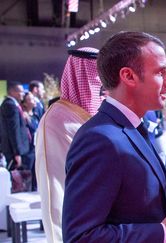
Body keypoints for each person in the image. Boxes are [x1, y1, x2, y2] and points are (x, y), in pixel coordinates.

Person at [62, 32, 166, 243]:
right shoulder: (100, 139)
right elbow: (81, 237)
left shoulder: (129, 127)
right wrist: (162, 232)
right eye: (160, 72)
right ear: (128, 76)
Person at [35, 47, 104, 243]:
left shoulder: (97, 113)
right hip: (75, 221)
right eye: (93, 74)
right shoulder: (56, 120)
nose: (98, 80)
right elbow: (53, 189)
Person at [0, 82, 29, 170]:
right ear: (12, 92)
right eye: (20, 92)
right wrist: (17, 153)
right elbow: (14, 130)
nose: (23, 94)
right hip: (13, 152)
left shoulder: (12, 104)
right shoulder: (10, 105)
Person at [21, 92, 39, 190]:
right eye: (30, 99)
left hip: (36, 149)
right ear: (25, 103)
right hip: (28, 151)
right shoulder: (24, 116)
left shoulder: (36, 115)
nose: (34, 100)